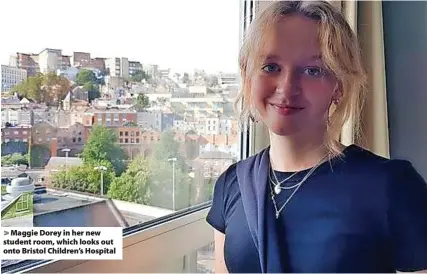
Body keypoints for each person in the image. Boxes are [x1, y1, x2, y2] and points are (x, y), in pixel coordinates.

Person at [206, 1, 427, 273]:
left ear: (339, 86)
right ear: (248, 74)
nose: (287, 89)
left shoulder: (393, 186)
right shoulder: (231, 184)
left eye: (313, 71)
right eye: (271, 67)